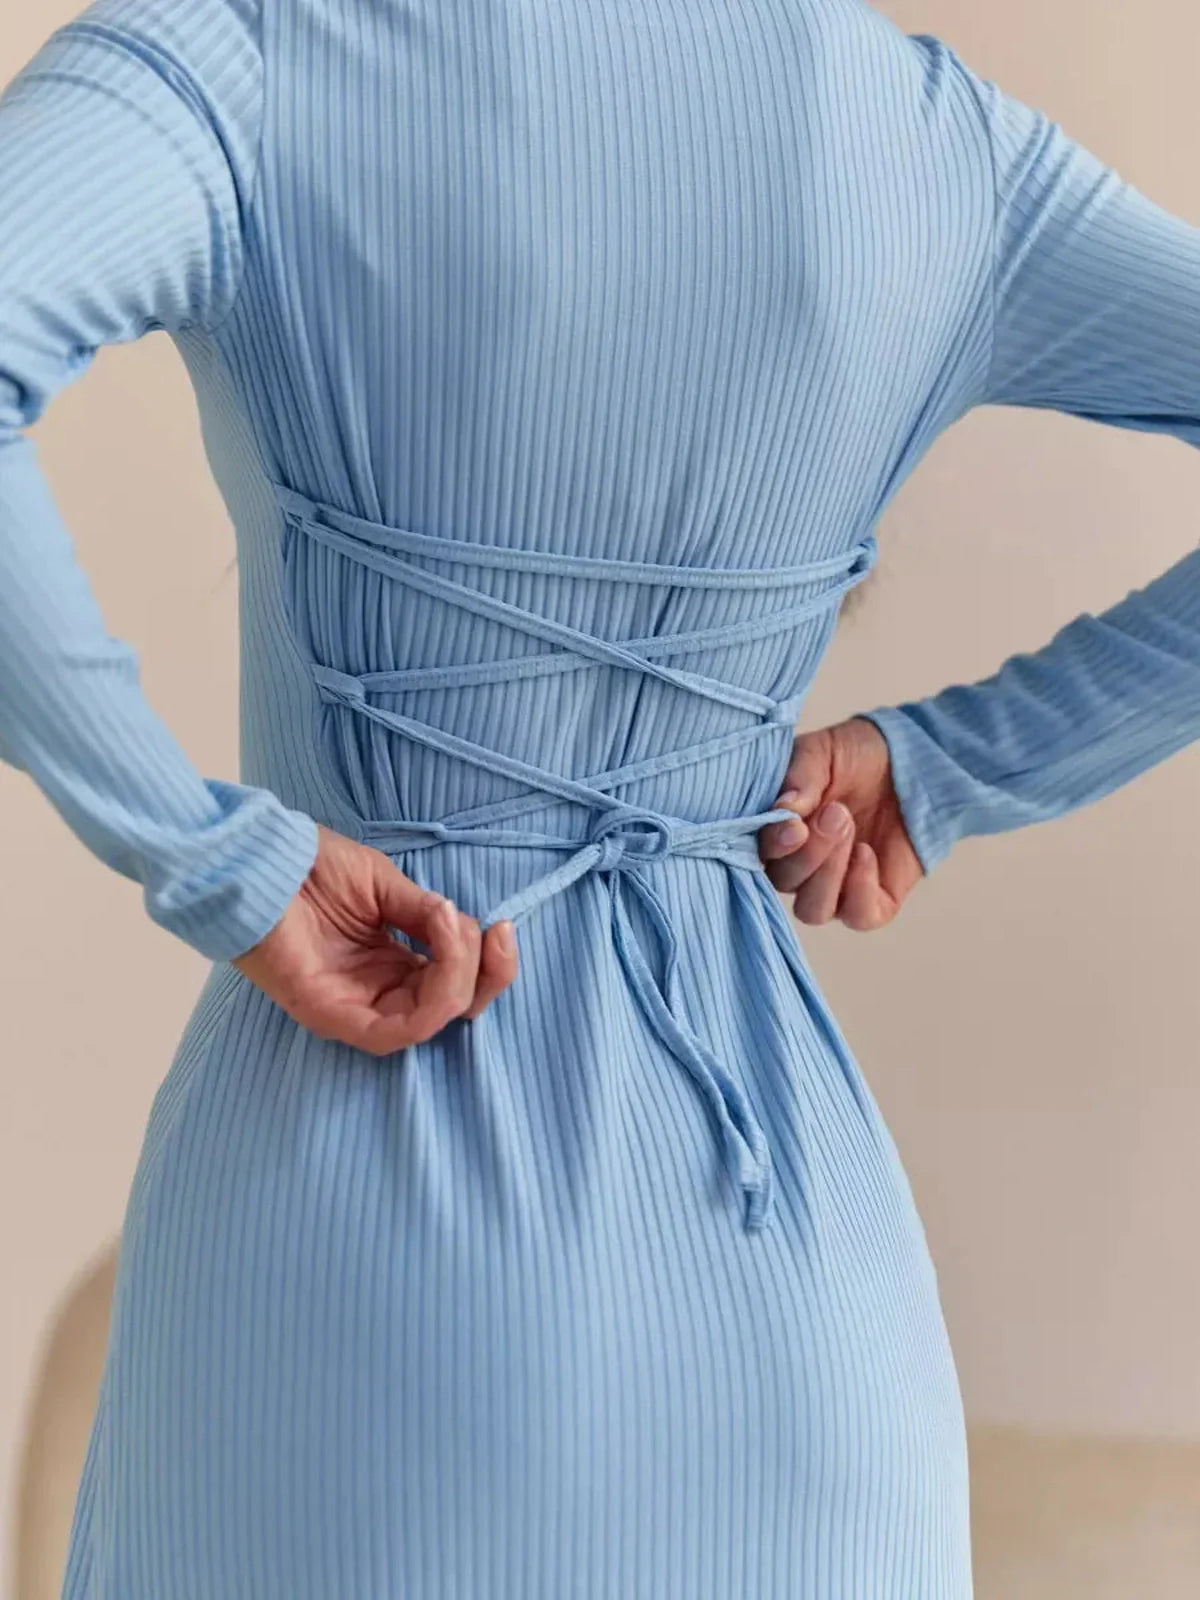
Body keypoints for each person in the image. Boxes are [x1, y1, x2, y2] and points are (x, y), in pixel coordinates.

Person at [1, 0, 1197, 1594]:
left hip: (343, 1267)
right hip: (791, 1288)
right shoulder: (936, 142)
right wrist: (962, 765)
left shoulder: (245, 55)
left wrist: (217, 859)